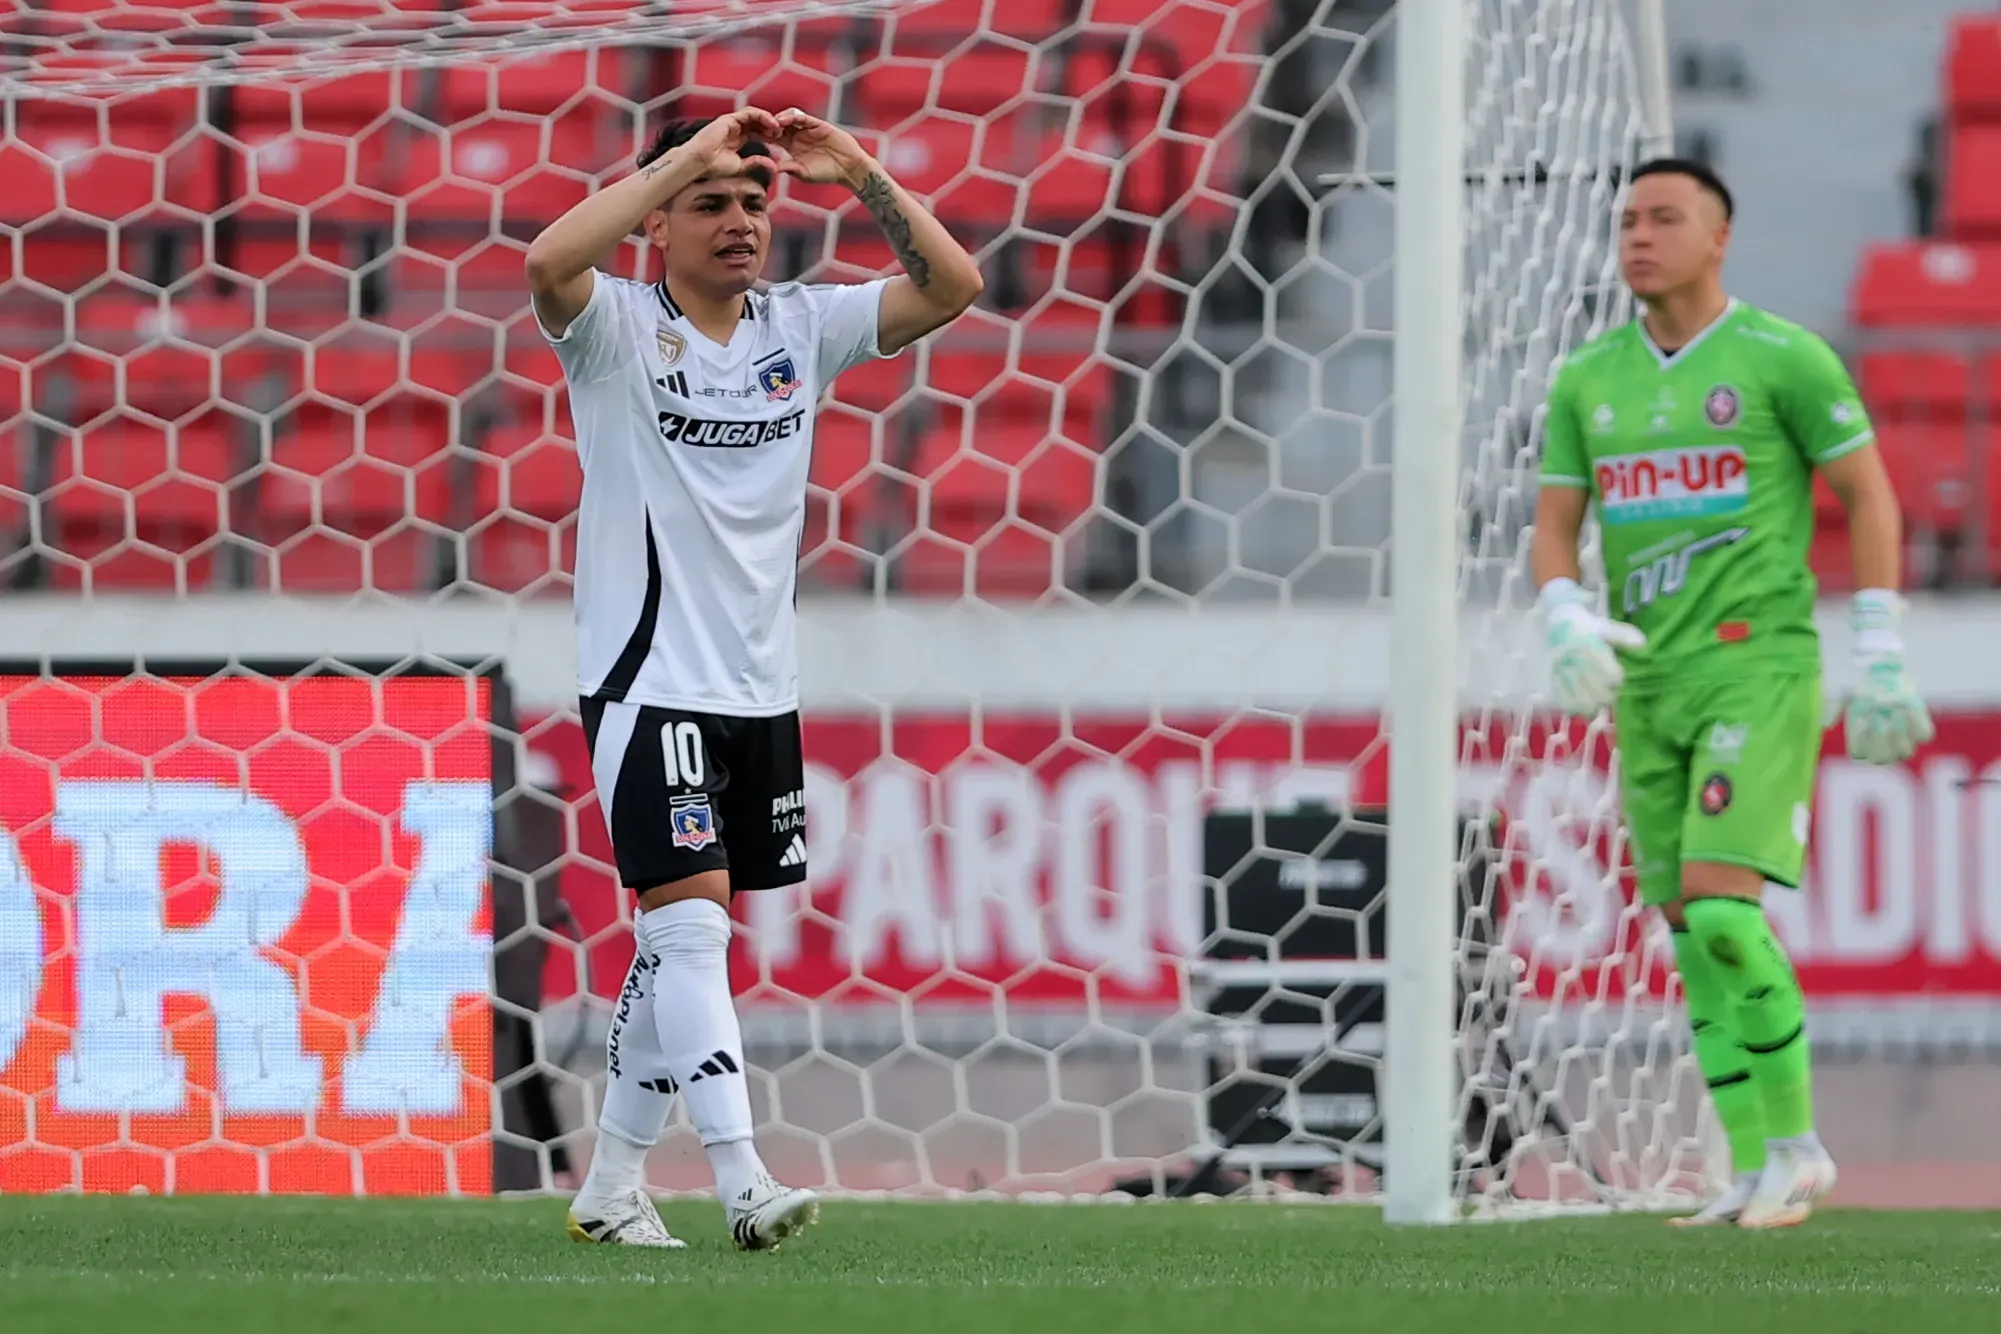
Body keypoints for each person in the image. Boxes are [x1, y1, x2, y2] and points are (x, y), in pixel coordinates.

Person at [524, 107, 983, 1249]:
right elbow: (548, 261)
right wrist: (681, 156)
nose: (741, 222)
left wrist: (861, 169)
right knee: (691, 937)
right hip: (647, 679)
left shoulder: (800, 325)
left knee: (675, 943)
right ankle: (743, 1182)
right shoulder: (614, 328)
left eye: (753, 202)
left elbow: (953, 286)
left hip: (759, 687)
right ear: (659, 219)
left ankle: (610, 1185)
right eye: (711, 202)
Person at [1529, 157, 1932, 1228]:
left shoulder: (1780, 357)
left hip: (1756, 666)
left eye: (1665, 218)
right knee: (1685, 932)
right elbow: (1554, 527)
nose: (1638, 236)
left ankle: (1798, 1146)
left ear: (1719, 239)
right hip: (1646, 678)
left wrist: (1880, 649)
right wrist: (1563, 612)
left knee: (1720, 907)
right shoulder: (1587, 379)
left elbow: (1869, 496)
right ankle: (1752, 1167)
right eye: (1627, 219)